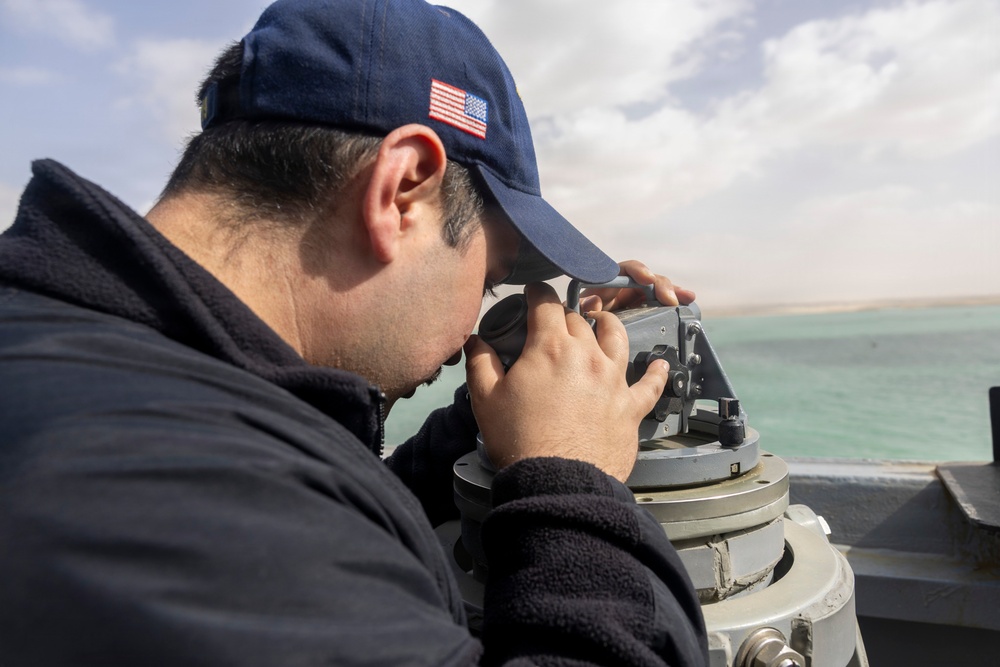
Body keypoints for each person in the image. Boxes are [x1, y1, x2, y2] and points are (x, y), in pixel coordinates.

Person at [0, 0, 707, 665]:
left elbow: (337, 504)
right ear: (402, 192)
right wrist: (571, 484)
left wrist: (509, 417)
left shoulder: (96, 361)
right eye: (490, 275)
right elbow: (291, 532)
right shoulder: (184, 498)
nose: (474, 323)